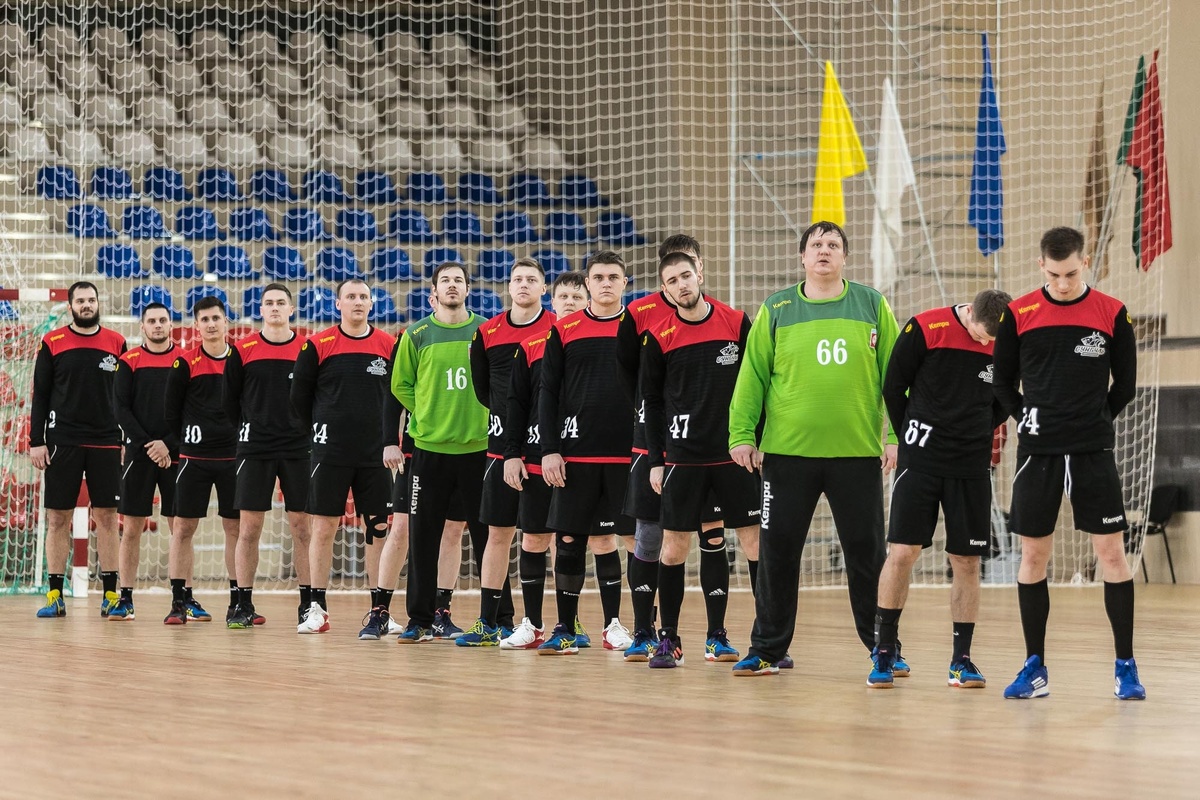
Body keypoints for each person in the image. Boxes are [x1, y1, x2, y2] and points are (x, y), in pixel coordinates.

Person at [727, 220, 899, 676]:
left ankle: (884, 648)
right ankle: (767, 648)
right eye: (817, 244)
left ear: (845, 257)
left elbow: (896, 376)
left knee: (867, 556)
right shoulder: (777, 307)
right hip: (786, 457)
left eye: (833, 244)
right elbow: (752, 376)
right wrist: (742, 434)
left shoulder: (872, 304)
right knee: (777, 555)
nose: (824, 250)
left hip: (856, 455)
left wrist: (895, 437)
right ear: (802, 256)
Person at [992, 226, 1143, 700]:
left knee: (1112, 554)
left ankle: (1126, 667)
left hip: (1091, 451)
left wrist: (1094, 420)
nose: (1062, 283)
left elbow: (1125, 385)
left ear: (1086, 263)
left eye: (1071, 274)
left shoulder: (1112, 312)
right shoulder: (1018, 314)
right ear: (1041, 265)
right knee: (1033, 557)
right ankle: (1034, 667)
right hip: (1037, 453)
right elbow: (1001, 383)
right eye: (1054, 274)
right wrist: (1025, 416)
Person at [869, 289, 1012, 688]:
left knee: (967, 560)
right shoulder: (925, 327)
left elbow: (1006, 396)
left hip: (970, 466)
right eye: (982, 334)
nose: (986, 343)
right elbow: (893, 386)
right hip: (921, 462)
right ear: (970, 314)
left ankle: (961, 660)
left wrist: (978, 428)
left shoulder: (1007, 339)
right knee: (902, 553)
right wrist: (910, 435)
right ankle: (884, 651)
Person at [641, 252, 758, 668]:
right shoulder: (658, 336)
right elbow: (651, 402)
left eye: (686, 275)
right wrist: (656, 459)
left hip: (734, 455)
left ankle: (761, 640)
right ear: (665, 289)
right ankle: (668, 639)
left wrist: (757, 440)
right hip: (683, 459)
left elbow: (759, 383)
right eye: (672, 281)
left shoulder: (736, 322)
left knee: (753, 543)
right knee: (674, 547)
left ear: (699, 274)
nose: (681, 285)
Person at [536, 251, 638, 655]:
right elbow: (548, 391)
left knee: (627, 539)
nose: (606, 283)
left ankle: (623, 627)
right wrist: (549, 449)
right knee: (568, 540)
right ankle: (565, 628)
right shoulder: (564, 329)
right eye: (599, 277)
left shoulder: (639, 326)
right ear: (588, 284)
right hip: (575, 455)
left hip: (628, 456)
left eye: (614, 277)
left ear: (625, 283)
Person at [390, 261, 495, 644]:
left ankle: (497, 619)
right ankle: (419, 620)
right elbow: (400, 385)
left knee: (488, 537)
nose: (452, 285)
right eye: (445, 280)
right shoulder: (416, 334)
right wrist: (429, 411)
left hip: (479, 450)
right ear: (433, 291)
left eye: (458, 280)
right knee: (423, 537)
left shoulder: (486, 331)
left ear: (468, 289)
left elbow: (498, 380)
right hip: (429, 451)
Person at [290, 279, 400, 634]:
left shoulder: (389, 344)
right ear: (338, 304)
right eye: (350, 297)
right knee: (323, 527)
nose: (358, 302)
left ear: (371, 303)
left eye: (363, 297)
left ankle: (380, 610)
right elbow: (298, 398)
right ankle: (317, 609)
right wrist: (319, 433)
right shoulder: (317, 344)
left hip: (376, 455)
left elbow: (399, 396)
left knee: (378, 529)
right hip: (330, 453)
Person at [458, 257, 553, 645]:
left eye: (532, 279)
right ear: (509, 287)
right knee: (498, 534)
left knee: (547, 537)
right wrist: (507, 424)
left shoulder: (557, 329)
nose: (524, 284)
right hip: (501, 449)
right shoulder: (487, 332)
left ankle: (558, 623)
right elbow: (483, 390)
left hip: (545, 449)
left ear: (543, 288)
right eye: (518, 279)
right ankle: (488, 621)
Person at [500, 271, 589, 649]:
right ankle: (532, 624)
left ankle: (577, 624)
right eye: (563, 297)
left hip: (585, 458)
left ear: (587, 300)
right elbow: (516, 404)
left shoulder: (605, 341)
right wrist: (512, 453)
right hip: (538, 458)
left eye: (576, 297)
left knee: (583, 541)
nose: (570, 302)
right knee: (534, 538)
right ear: (552, 302)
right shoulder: (532, 345)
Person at [30, 281, 126, 618]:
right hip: (63, 441)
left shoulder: (117, 342)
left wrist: (125, 439)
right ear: (70, 306)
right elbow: (41, 394)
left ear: (98, 303)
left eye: (91, 300)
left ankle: (111, 595)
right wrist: (36, 440)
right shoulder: (52, 341)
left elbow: (124, 396)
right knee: (58, 518)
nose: (87, 305)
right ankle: (55, 595)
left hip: (106, 441)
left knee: (108, 517)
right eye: (81, 300)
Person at [223, 284, 310, 629]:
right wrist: (251, 427)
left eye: (281, 303)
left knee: (302, 527)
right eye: (269, 303)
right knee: (249, 528)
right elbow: (229, 401)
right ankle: (242, 604)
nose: (275, 307)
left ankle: (309, 604)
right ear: (260, 310)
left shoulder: (307, 348)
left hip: (298, 448)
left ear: (291, 309)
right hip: (255, 448)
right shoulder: (242, 349)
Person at [162, 296, 240, 625]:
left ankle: (239, 602)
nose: (210, 324)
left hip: (234, 459)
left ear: (226, 322)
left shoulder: (240, 360)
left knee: (235, 529)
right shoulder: (185, 362)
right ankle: (178, 601)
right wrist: (180, 444)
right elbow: (171, 412)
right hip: (194, 459)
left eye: (215, 318)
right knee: (183, 528)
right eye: (204, 319)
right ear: (196, 326)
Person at [110, 302, 178, 620]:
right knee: (132, 529)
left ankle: (182, 599)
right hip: (140, 454)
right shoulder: (129, 361)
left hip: (175, 455)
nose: (158, 325)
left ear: (171, 324)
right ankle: (125, 598)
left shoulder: (184, 360)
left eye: (163, 320)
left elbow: (191, 408)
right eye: (152, 321)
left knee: (180, 529)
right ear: (143, 326)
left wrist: (168, 445)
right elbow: (121, 409)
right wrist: (151, 446)